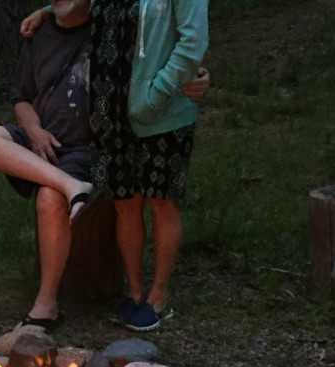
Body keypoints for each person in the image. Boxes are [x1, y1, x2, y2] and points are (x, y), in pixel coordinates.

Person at [22, 0, 209, 332]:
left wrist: (154, 97)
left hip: (163, 110)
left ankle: (157, 294)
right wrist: (47, 11)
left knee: (161, 201)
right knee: (125, 202)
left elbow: (192, 43)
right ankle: (134, 289)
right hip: (108, 111)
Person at [0, 0, 96, 333]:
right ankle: (72, 187)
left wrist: (196, 71)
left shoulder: (111, 28)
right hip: (39, 139)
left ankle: (46, 305)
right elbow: (21, 97)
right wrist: (35, 130)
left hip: (84, 148)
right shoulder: (38, 33)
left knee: (48, 198)